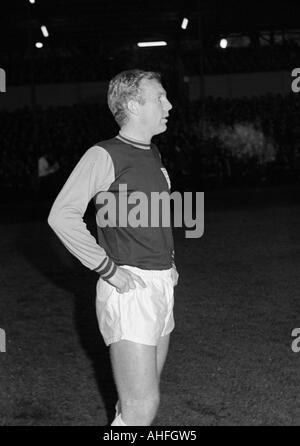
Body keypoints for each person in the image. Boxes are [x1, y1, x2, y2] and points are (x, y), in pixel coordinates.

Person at [48, 69, 178, 426]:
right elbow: (62, 216)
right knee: (141, 407)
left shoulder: (152, 153)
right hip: (129, 288)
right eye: (160, 97)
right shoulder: (103, 154)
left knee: (136, 407)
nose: (169, 104)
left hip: (160, 283)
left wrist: (168, 262)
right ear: (134, 105)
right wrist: (109, 271)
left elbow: (148, 218)